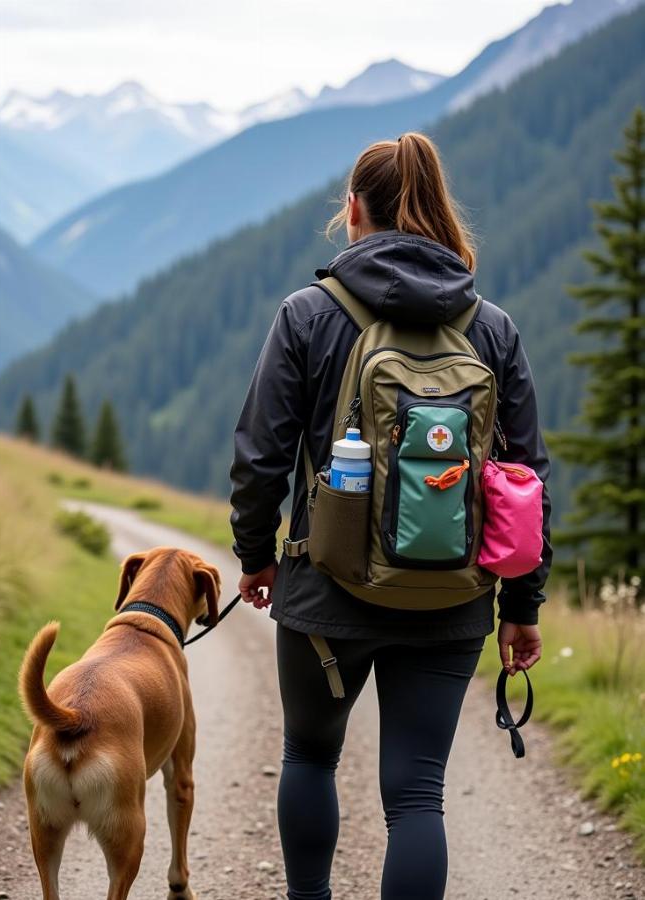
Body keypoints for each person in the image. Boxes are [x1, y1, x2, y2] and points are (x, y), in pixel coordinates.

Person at [228, 132, 551, 900]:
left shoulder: (309, 314)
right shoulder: (491, 328)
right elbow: (526, 478)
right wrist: (521, 605)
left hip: (327, 591)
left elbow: (260, 456)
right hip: (453, 596)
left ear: (352, 210)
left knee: (310, 758)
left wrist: (255, 557)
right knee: (416, 796)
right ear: (441, 212)